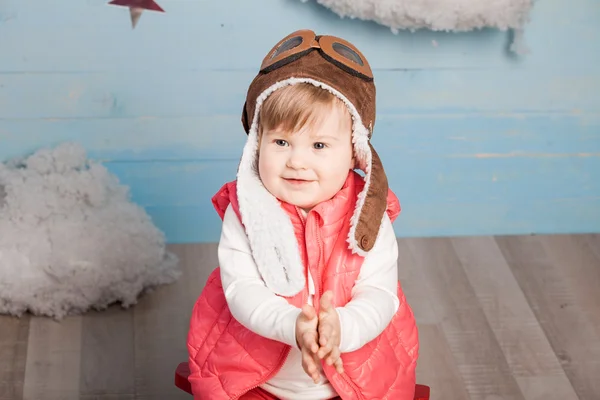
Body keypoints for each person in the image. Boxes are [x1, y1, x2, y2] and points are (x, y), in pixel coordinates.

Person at [186, 29, 419, 400]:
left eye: (319, 145)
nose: (297, 160)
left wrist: (342, 326)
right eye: (280, 142)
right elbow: (240, 289)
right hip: (256, 377)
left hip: (353, 380)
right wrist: (291, 323)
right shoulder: (246, 210)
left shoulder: (369, 214)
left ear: (355, 153)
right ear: (256, 144)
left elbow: (380, 294)